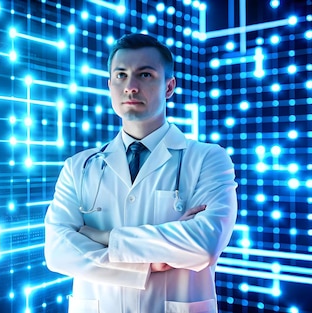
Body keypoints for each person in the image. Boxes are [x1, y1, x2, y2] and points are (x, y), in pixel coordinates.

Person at [44, 33, 238, 313]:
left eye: (145, 75)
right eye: (121, 75)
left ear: (169, 87)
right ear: (110, 85)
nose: (131, 87)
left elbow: (203, 245)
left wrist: (105, 236)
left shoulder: (209, 159)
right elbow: (59, 253)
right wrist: (144, 266)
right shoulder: (79, 167)